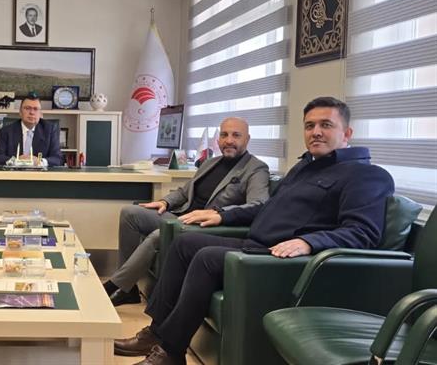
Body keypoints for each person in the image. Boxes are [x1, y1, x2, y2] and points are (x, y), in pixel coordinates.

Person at [114, 97, 395, 365]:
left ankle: (170, 352)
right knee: (183, 243)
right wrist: (222, 215)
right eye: (310, 126)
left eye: (326, 125)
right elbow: (265, 208)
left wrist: (309, 242)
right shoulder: (304, 168)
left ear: (347, 133)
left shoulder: (366, 175)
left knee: (207, 258)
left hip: (287, 259)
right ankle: (156, 333)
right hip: (257, 245)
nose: (316, 132)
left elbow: (363, 232)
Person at [104, 117, 269, 306]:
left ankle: (114, 285)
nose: (229, 140)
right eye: (224, 135)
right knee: (130, 213)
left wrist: (219, 213)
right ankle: (130, 289)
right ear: (218, 139)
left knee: (159, 234)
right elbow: (184, 192)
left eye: (236, 135)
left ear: (247, 139)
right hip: (181, 216)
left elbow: (258, 204)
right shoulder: (210, 163)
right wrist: (165, 202)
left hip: (205, 226)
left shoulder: (256, 168)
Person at [0, 93, 62, 166]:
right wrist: (15, 161)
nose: (32, 112)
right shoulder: (7, 131)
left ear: (40, 114)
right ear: (20, 112)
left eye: (35, 109)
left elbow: (58, 158)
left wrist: (40, 162)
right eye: (27, 108)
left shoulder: (50, 130)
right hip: (14, 172)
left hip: (40, 172)